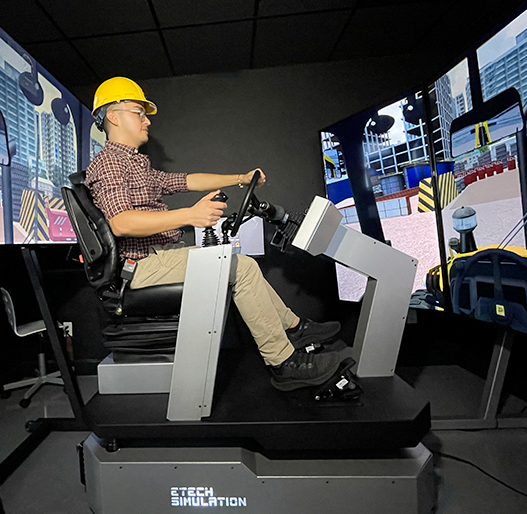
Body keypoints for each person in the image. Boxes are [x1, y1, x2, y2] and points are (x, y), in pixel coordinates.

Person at [84, 77, 343, 391]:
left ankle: (296, 328)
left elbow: (184, 180)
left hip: (158, 257)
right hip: (141, 266)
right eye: (139, 112)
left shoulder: (133, 163)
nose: (146, 119)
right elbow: (121, 223)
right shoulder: (110, 163)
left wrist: (239, 178)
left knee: (239, 262)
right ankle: (283, 363)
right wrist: (190, 215)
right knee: (242, 268)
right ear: (114, 116)